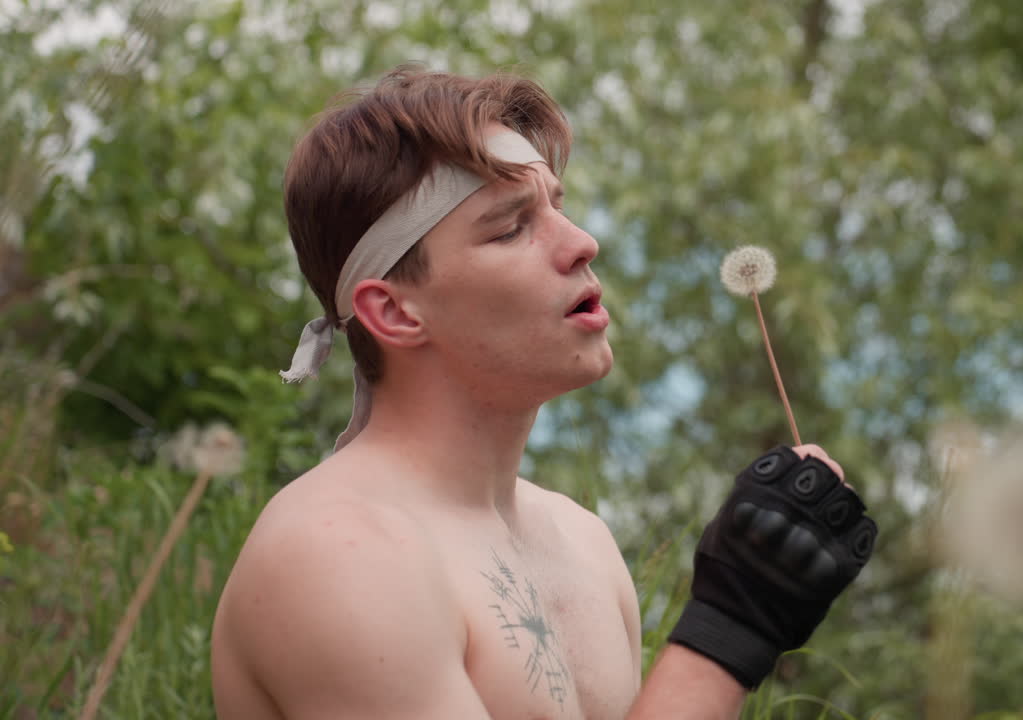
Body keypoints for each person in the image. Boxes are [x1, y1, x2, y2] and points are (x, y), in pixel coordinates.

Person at [211, 66, 876, 720]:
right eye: (510, 227)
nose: (583, 242)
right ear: (395, 312)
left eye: (556, 206)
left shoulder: (581, 540)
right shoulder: (336, 553)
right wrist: (729, 631)